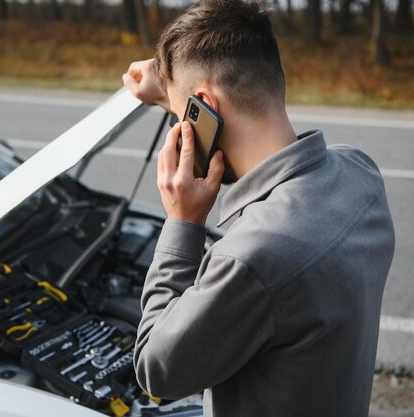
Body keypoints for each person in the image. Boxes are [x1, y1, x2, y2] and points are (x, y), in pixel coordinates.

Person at [122, 1, 395, 416]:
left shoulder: (253, 258)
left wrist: (183, 220)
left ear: (203, 106)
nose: (181, 129)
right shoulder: (360, 174)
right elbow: (213, 92)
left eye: (181, 117)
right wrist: (170, 83)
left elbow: (155, 368)